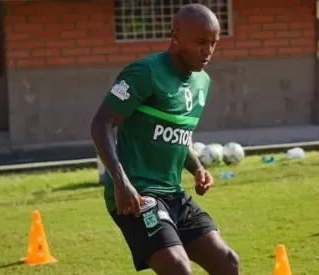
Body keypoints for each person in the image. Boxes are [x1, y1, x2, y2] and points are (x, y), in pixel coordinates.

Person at [90, 4, 240, 275]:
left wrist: (197, 168)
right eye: (201, 42)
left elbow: (177, 136)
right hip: (137, 194)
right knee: (177, 268)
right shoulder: (144, 73)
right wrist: (120, 183)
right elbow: (101, 124)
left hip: (174, 194)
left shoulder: (202, 82)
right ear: (176, 35)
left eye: (214, 43)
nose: (208, 51)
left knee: (227, 261)